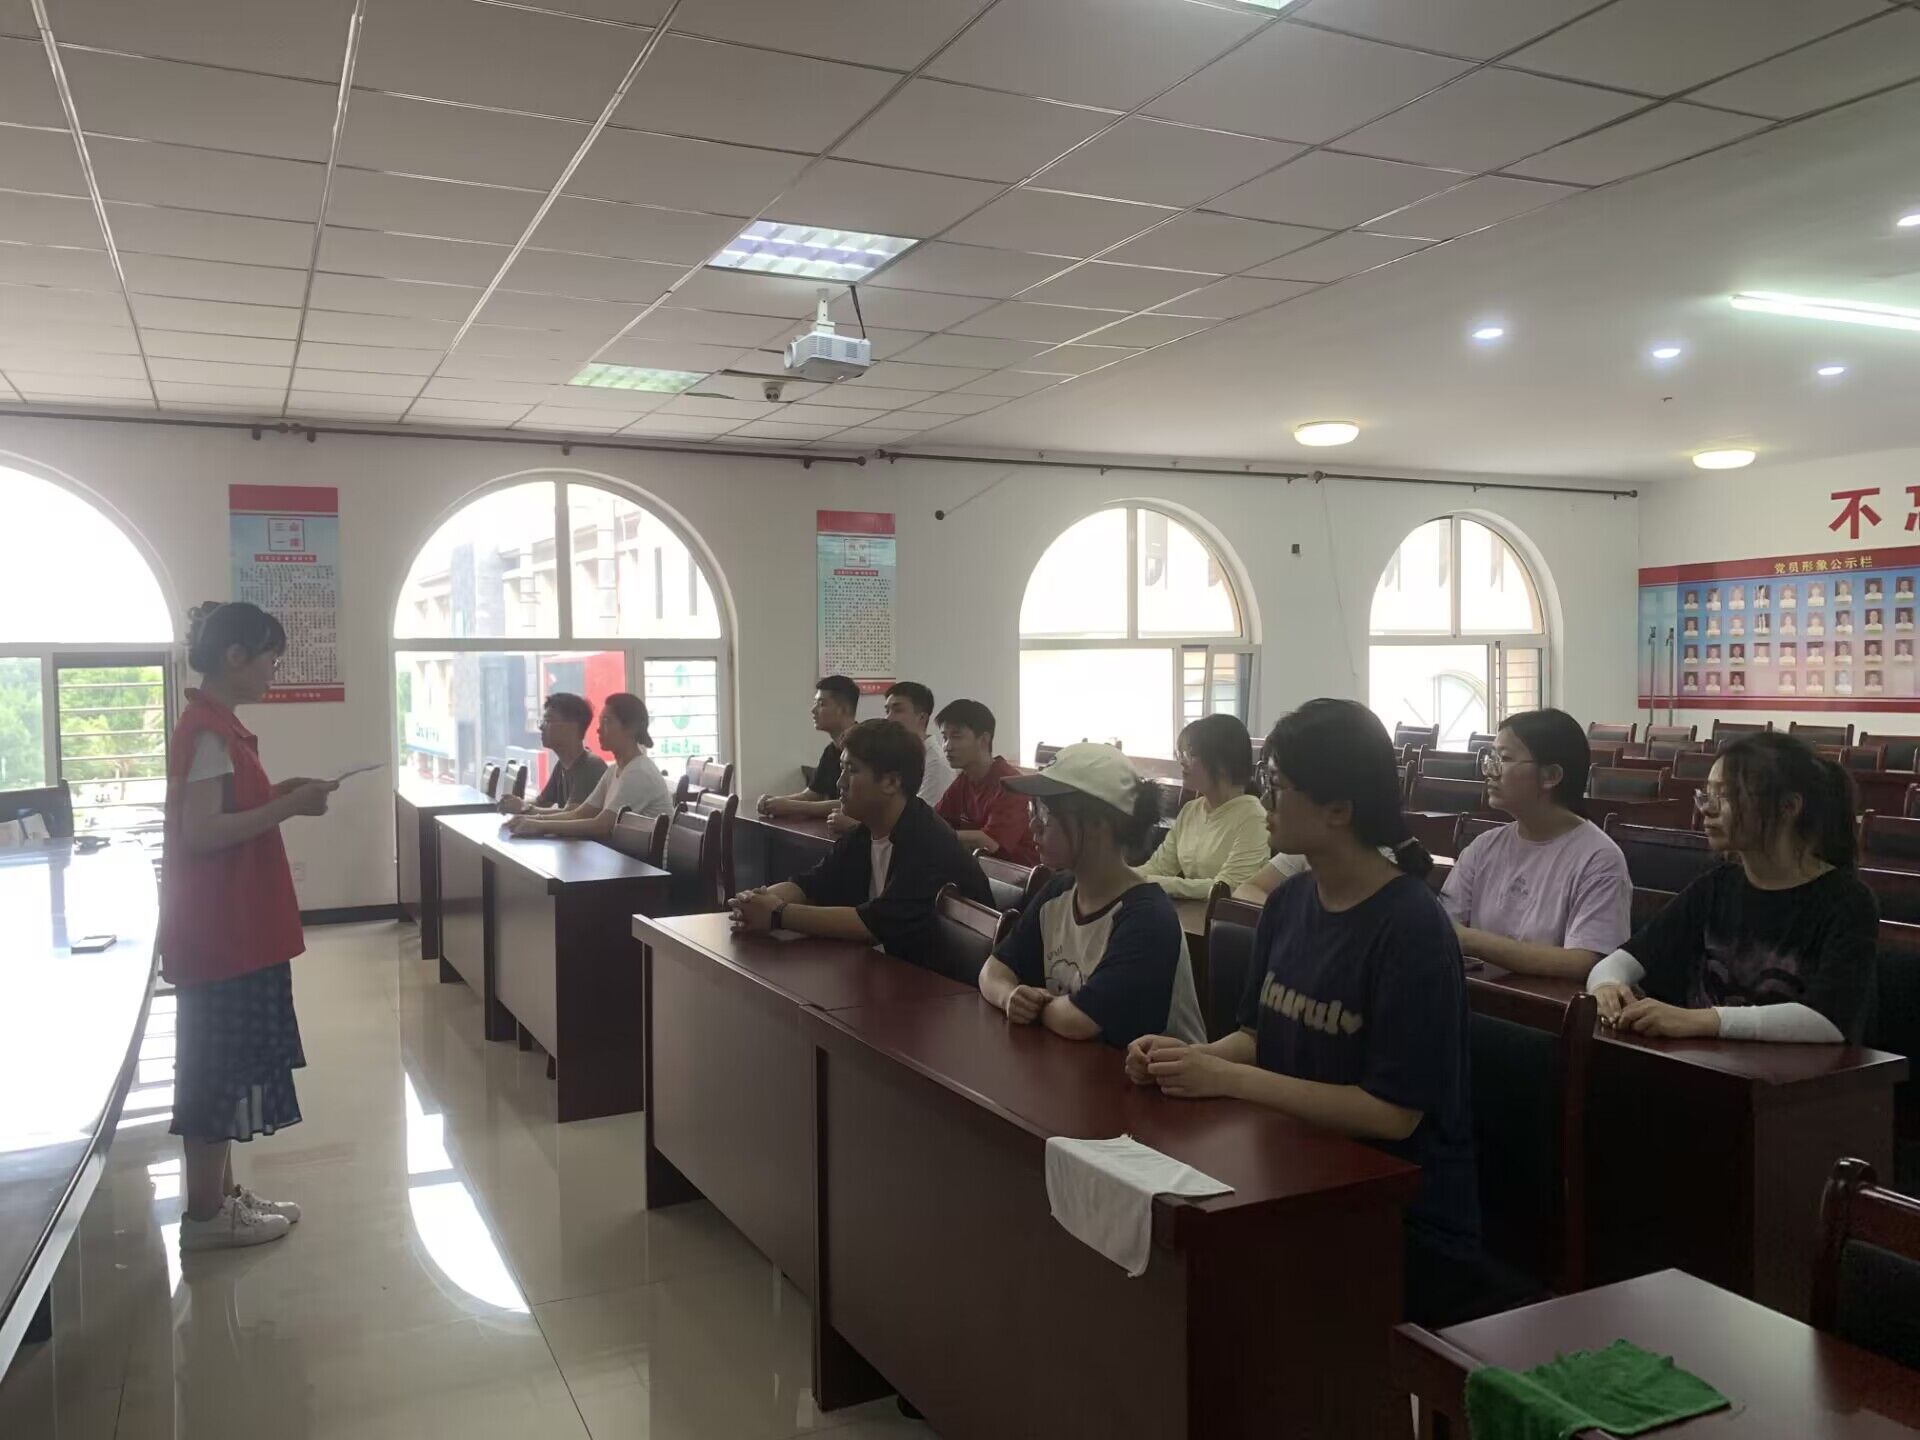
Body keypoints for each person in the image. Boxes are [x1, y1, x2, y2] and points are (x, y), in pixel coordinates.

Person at [1126, 699, 1480, 1326]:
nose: (1264, 802)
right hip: (1294, 1167)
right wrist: (1187, 1059)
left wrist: (1227, 1079)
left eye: (1278, 786)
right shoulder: (1289, 903)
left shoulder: (1412, 928)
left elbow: (1391, 1114)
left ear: (1338, 810)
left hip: (1393, 1209)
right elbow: (1256, 1037)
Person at [161, 602, 337, 1251]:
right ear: (235, 656)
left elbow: (225, 811)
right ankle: (206, 1218)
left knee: (227, 1067)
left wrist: (280, 794)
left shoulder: (219, 728)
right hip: (223, 934)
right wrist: (287, 807)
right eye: (270, 658)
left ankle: (222, 1198)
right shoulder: (210, 732)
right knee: (215, 1072)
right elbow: (203, 832)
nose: (273, 671)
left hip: (232, 929)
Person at [1589, 733, 1877, 1042]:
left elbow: (1829, 1021)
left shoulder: (1847, 901)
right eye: (1707, 794)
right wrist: (1606, 986)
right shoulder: (1716, 886)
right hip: (1705, 1064)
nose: (1707, 809)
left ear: (1789, 807)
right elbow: (1619, 962)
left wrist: (1703, 1020)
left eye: (1726, 796)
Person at [979, 745, 1206, 1047]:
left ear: (1099, 824)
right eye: (1034, 810)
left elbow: (1081, 1021)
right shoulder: (1058, 892)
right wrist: (1010, 996)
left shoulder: (1148, 918)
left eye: (1046, 813)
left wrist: (1036, 1007)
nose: (1033, 825)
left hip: (1150, 1074)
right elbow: (993, 971)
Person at [730, 719, 993, 970]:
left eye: (852, 770)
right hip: (890, 971)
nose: (840, 783)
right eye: (841, 769)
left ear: (891, 782)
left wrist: (778, 913)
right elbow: (811, 883)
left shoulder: (928, 841)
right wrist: (754, 901)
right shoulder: (866, 831)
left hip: (944, 988)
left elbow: (872, 924)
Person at [1441, 710, 1632, 977]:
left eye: (1505, 759)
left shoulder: (1599, 859)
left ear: (1551, 775)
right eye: (1491, 758)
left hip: (1546, 1002)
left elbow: (1586, 961)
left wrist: (1471, 940)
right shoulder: (1484, 846)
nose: (1490, 771)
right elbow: (1444, 925)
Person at [505, 692, 670, 839]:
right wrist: (533, 820)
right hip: (624, 857)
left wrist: (539, 825)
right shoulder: (614, 769)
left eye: (607, 721)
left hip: (643, 863)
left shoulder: (638, 772)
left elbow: (602, 825)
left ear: (631, 728)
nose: (598, 730)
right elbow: (580, 813)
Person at [1140, 713, 1269, 898]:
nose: (1182, 762)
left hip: (1222, 915)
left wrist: (1149, 882)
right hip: (1188, 912)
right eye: (1181, 754)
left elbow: (1227, 888)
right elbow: (1158, 867)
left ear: (1222, 763)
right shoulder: (1190, 810)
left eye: (1191, 755)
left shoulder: (1253, 817)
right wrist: (1123, 878)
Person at [933, 697, 1041, 866]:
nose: (947, 746)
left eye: (956, 736)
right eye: (945, 737)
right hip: (980, 866)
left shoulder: (1010, 783)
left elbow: (989, 842)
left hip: (1016, 874)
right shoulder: (964, 779)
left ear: (984, 739)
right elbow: (936, 820)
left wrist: (934, 835)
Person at [759, 675, 859, 820]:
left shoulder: (864, 748)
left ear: (843, 709)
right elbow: (812, 794)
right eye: (815, 703)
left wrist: (791, 806)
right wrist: (773, 801)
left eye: (821, 704)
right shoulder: (831, 751)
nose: (813, 710)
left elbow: (854, 803)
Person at [498, 691, 607, 815]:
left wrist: (524, 808)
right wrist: (515, 803)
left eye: (548, 721)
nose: (541, 727)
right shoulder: (562, 765)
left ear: (571, 728)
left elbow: (570, 815)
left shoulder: (590, 767)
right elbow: (541, 802)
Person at [884, 681, 954, 806]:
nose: (888, 718)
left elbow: (920, 815)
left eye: (897, 710)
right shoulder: (901, 756)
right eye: (887, 711)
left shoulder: (936, 765)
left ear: (922, 718)